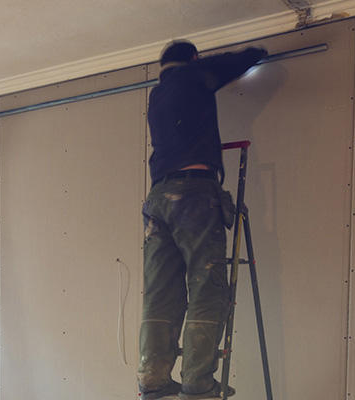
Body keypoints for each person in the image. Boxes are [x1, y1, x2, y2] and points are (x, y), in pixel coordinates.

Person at [138, 40, 266, 399]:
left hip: (158, 200)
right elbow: (233, 62)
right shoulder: (193, 76)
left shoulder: (157, 94)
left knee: (161, 294)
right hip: (194, 195)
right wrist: (259, 52)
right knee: (206, 288)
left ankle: (153, 380)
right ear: (193, 59)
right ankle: (197, 381)